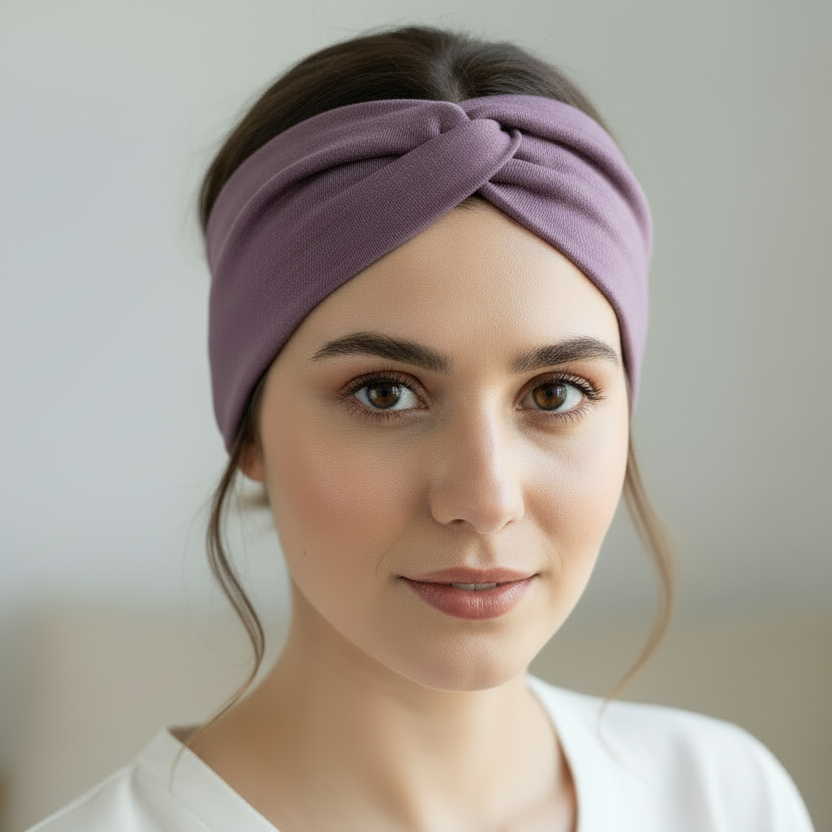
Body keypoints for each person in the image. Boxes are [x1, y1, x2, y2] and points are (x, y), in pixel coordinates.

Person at [29, 25, 814, 832]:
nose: (486, 499)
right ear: (249, 427)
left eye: (554, 394)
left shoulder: (725, 799)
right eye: (384, 394)